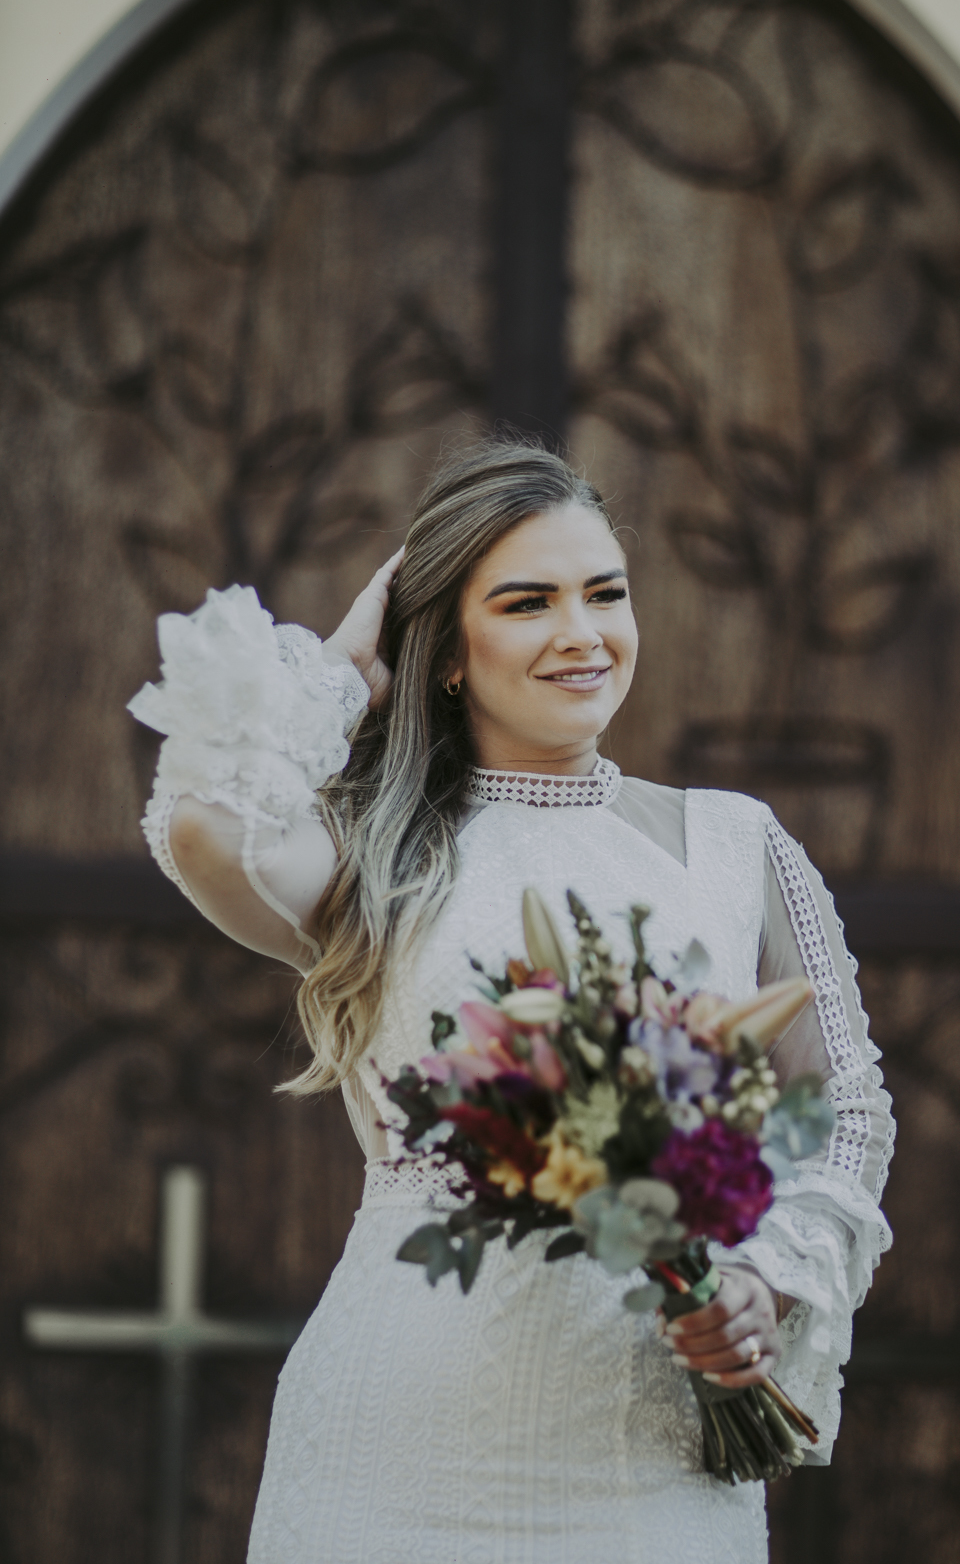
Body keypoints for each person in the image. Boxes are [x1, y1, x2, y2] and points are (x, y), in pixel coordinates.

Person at [128, 437, 893, 1564]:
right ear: (445, 650)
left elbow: (842, 1114)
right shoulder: (373, 853)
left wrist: (761, 1276)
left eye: (605, 594)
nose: (582, 633)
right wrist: (343, 673)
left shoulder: (732, 843)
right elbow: (202, 824)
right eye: (527, 602)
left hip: (639, 1455)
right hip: (390, 1450)